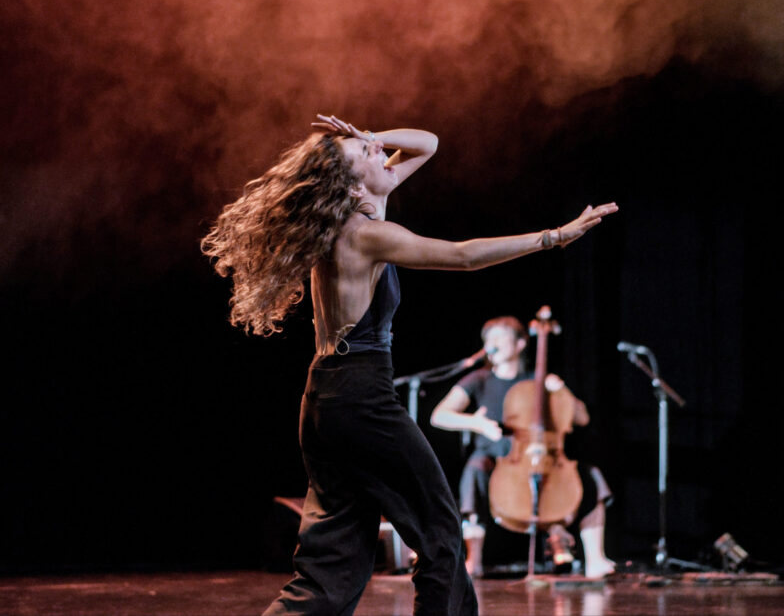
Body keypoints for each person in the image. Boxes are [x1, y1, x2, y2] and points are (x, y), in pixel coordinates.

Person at [201, 114, 618, 616]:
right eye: (369, 155)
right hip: (361, 399)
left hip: (326, 401)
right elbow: (462, 256)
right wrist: (554, 237)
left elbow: (429, 141)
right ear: (353, 184)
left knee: (331, 568)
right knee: (440, 533)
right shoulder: (363, 233)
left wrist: (367, 138)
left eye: (377, 148)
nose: (381, 154)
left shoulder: (352, 213)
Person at [430, 316, 616, 579]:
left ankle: (596, 558)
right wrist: (475, 423)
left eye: (499, 337)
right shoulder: (479, 379)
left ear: (519, 344)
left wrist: (562, 391)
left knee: (590, 475)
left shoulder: (538, 381)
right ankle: (474, 559)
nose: (491, 343)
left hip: (544, 458)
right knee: (475, 468)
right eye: (487, 339)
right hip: (498, 459)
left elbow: (582, 418)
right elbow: (439, 416)